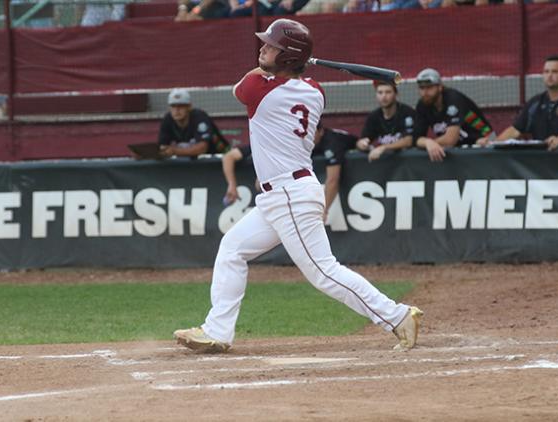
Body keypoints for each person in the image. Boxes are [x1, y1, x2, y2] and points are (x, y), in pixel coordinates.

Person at [174, 18, 423, 354]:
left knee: (323, 272)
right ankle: (217, 331)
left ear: (289, 56)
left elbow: (243, 86)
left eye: (271, 45)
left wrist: (279, 65)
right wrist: (286, 61)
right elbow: (278, 76)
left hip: (289, 195)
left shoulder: (259, 89)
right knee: (233, 249)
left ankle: (397, 316)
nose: (263, 48)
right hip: (282, 195)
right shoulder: (315, 91)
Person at [222, 122, 357, 221]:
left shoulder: (331, 142)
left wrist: (324, 211)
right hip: (276, 200)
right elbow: (229, 157)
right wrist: (263, 176)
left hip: (300, 191)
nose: (306, 137)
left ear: (319, 131)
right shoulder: (269, 139)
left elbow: (333, 179)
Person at [483, 56, 558, 150]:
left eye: (554, 72)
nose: (549, 76)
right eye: (546, 72)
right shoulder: (535, 102)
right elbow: (515, 130)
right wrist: (492, 143)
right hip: (539, 157)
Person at [414, 68, 493, 162]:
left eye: (429, 87)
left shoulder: (453, 99)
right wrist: (428, 142)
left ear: (440, 87)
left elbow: (450, 140)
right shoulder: (422, 105)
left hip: (484, 141)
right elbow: (415, 139)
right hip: (459, 147)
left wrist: (432, 143)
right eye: (421, 88)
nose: (425, 92)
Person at [157, 88, 231, 158]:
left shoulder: (200, 117)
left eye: (181, 106)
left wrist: (174, 151)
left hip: (220, 156)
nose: (177, 110)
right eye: (173, 106)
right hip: (194, 161)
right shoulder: (167, 119)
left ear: (189, 107)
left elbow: (202, 148)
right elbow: (163, 147)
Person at [356, 80, 415, 161]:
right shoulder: (374, 116)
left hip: (407, 162)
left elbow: (408, 141)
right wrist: (362, 144)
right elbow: (362, 140)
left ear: (396, 94)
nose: (383, 96)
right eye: (380, 92)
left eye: (388, 92)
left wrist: (383, 148)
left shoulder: (407, 112)